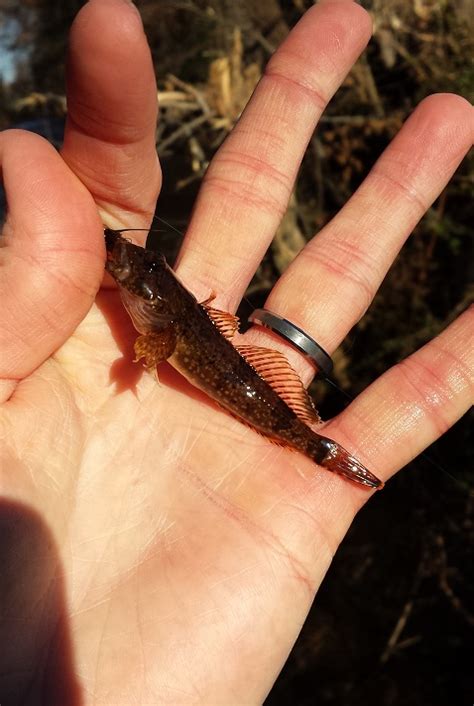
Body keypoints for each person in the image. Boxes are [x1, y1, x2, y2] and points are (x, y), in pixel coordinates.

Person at [0, 0, 472, 703]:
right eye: (139, 270)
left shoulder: (156, 315)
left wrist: (146, 357)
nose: (135, 271)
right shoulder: (153, 304)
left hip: (255, 394)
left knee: (279, 415)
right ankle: (314, 446)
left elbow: (157, 340)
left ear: (159, 301)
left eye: (147, 273)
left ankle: (313, 447)